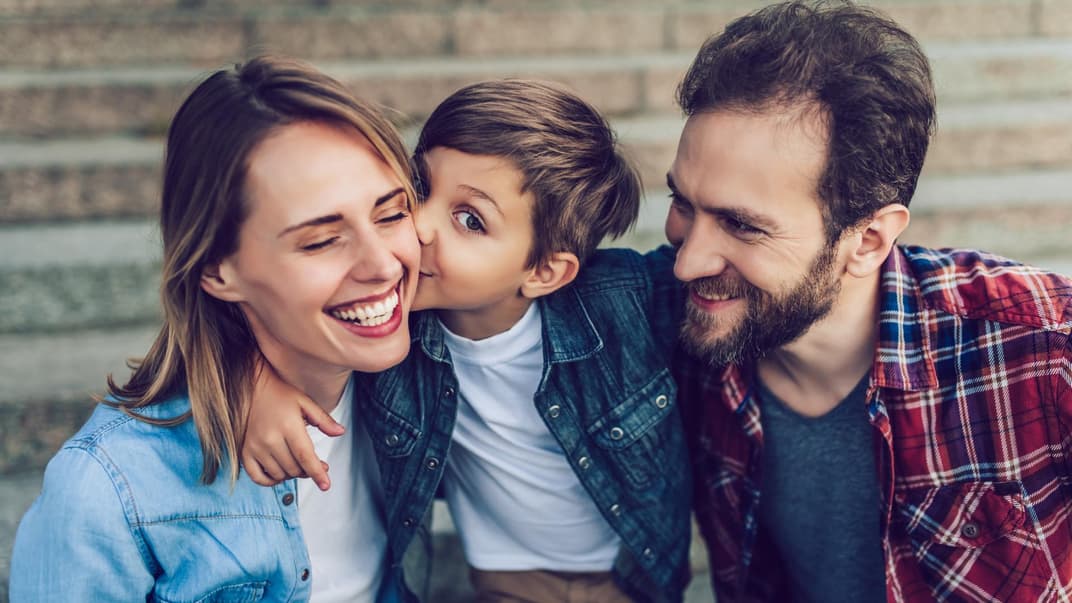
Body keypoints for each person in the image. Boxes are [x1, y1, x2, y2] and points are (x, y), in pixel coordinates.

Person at [666, 2, 1072, 602]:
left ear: (869, 239)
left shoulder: (1040, 345)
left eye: (742, 225)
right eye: (683, 204)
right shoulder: (684, 334)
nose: (686, 261)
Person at [244, 79, 692, 602]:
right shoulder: (387, 332)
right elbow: (275, 302)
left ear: (545, 271)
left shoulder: (622, 303)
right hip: (508, 583)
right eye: (422, 188)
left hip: (634, 577)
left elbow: (722, 280)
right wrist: (254, 379)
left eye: (470, 220)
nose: (422, 226)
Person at [10, 56, 425, 602]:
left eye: (391, 214)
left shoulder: (425, 375)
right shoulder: (107, 488)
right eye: (322, 240)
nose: (384, 266)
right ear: (216, 269)